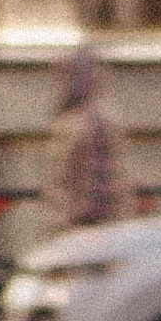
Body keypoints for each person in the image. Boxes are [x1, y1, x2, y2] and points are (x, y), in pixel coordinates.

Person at [45, 45, 123, 233]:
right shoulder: (70, 121)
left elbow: (96, 183)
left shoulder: (91, 124)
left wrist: (74, 221)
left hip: (86, 228)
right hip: (74, 225)